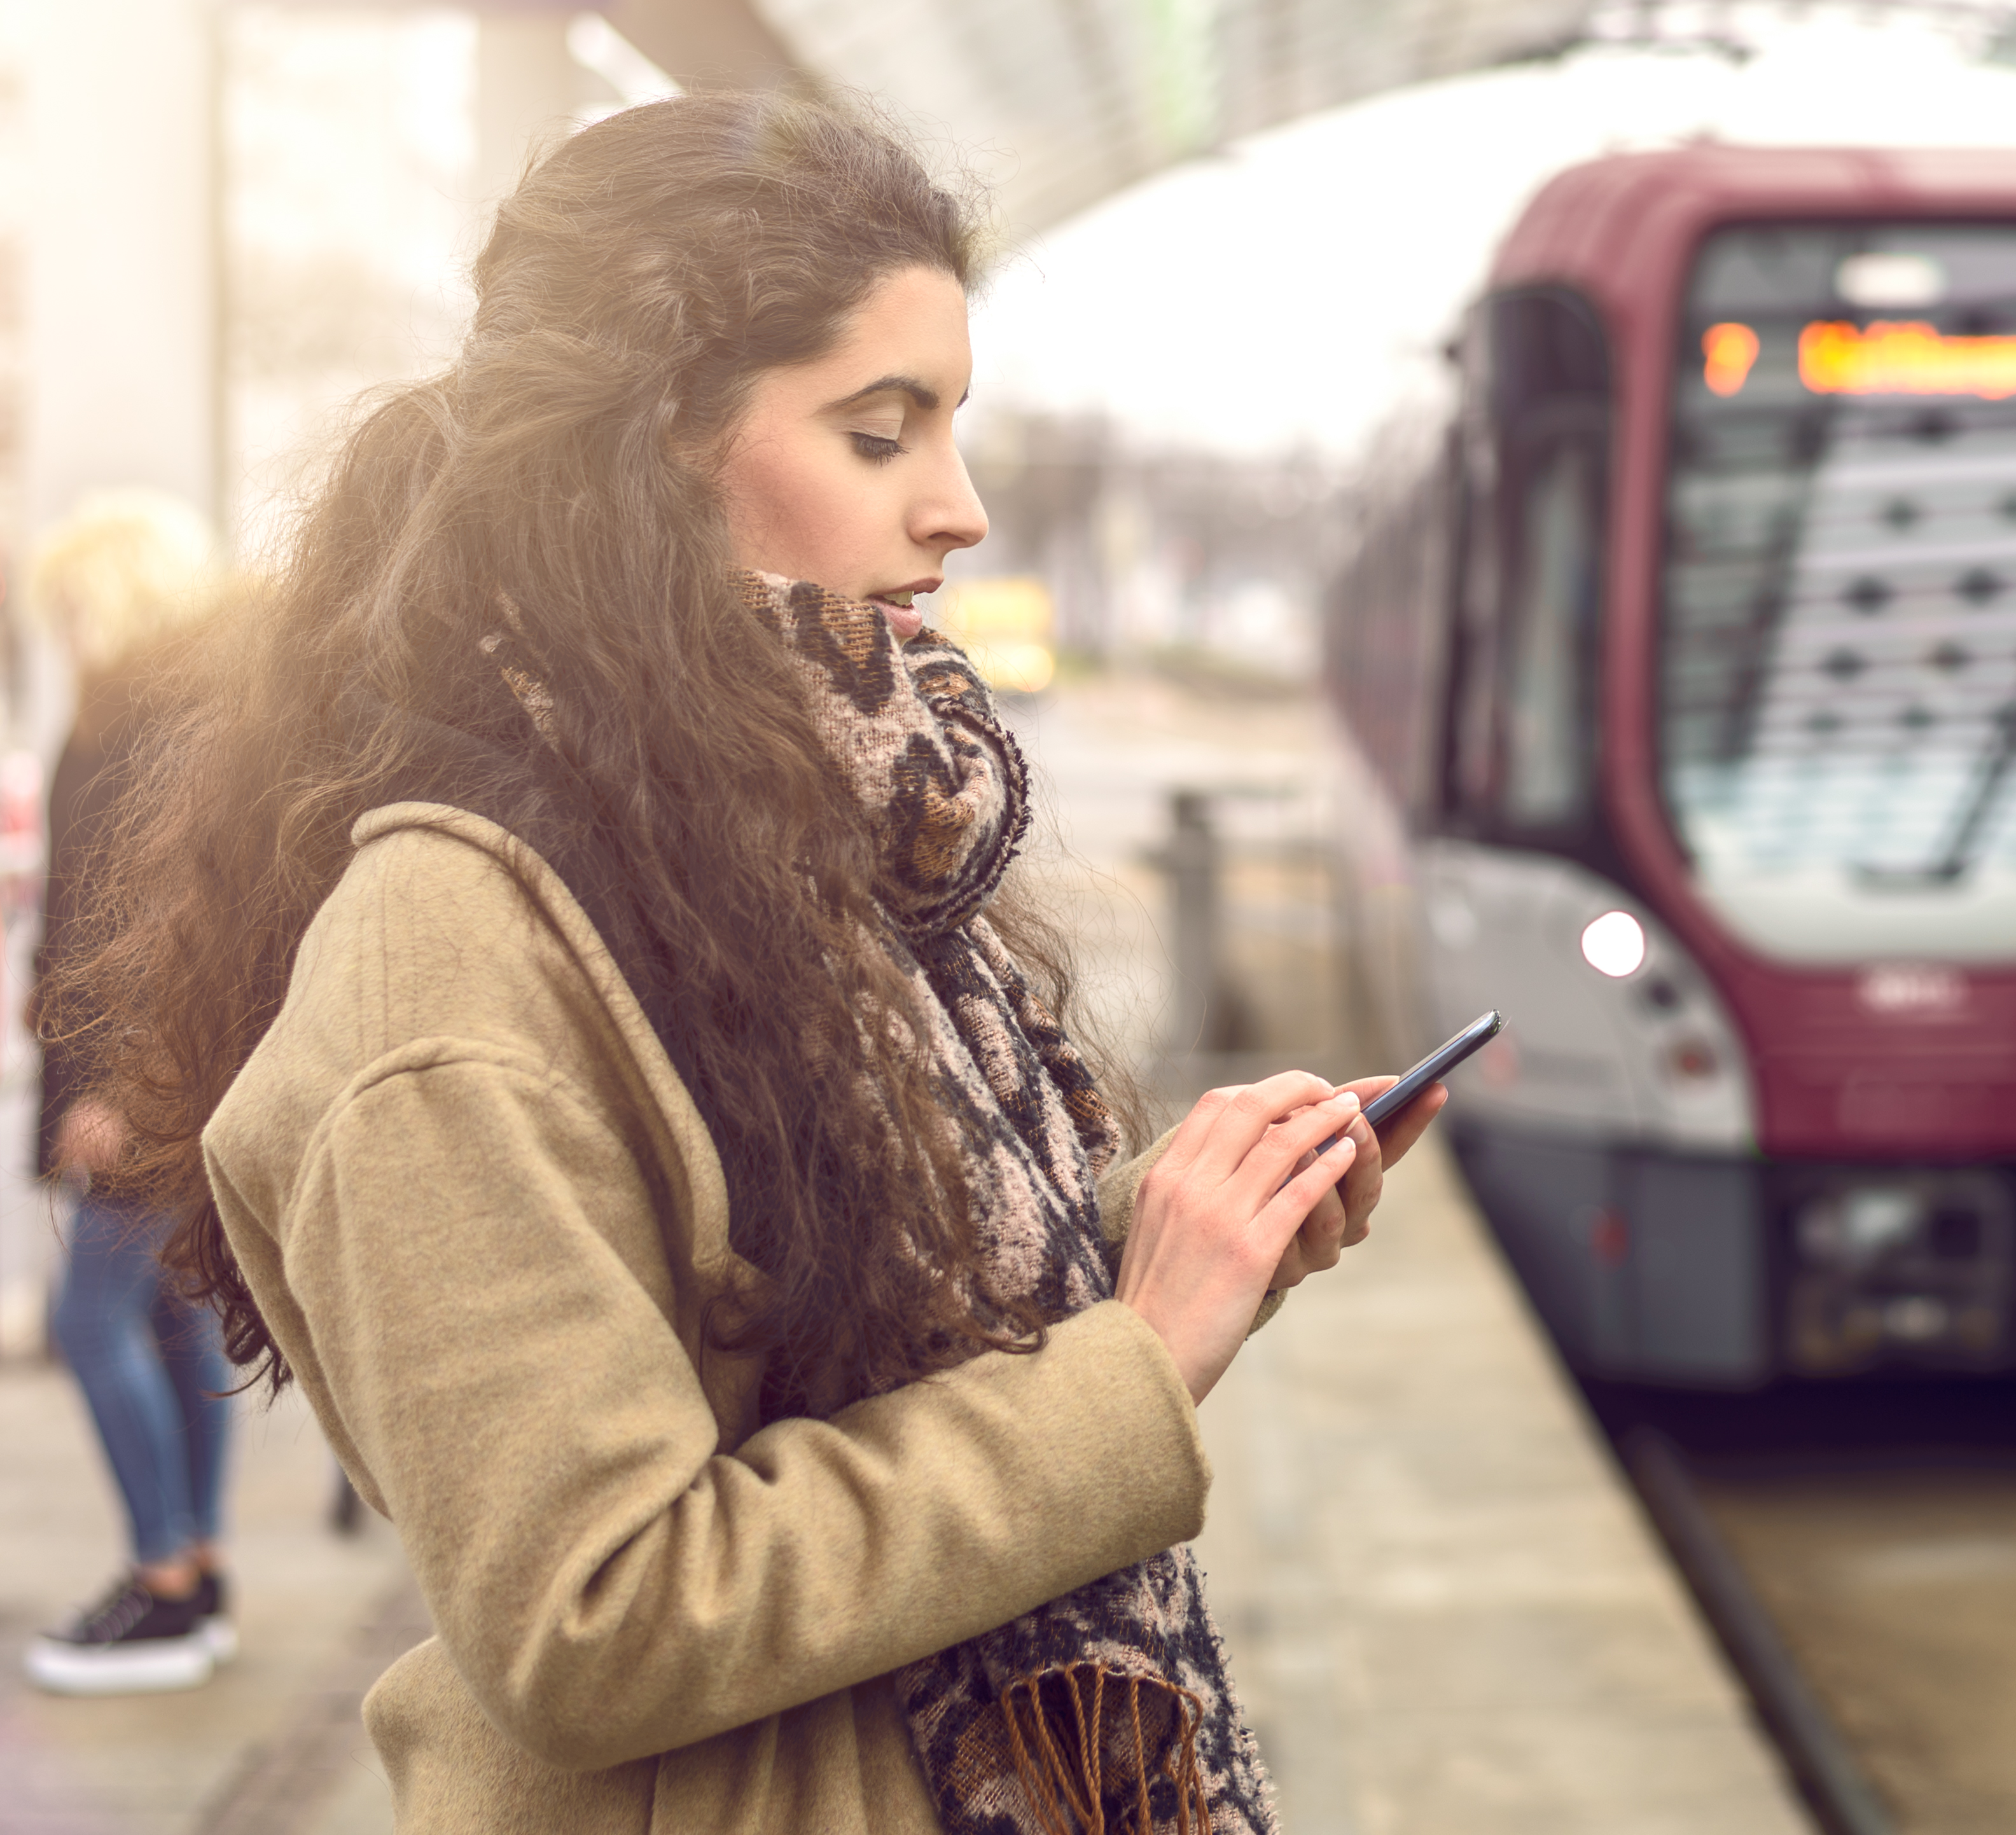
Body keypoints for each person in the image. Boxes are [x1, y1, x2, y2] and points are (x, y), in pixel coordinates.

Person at [68, 91, 1438, 1832]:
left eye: (953, 426)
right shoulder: (444, 970)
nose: (960, 508)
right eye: (882, 433)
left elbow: (821, 1350)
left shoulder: (759, 851)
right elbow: (598, 1612)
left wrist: (1179, 1236)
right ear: (643, 459)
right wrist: (1136, 1364)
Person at [22, 491, 236, 1694]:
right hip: (147, 1076)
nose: (58, 625)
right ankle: (196, 1577)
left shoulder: (153, 726)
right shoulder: (135, 716)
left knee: (88, 1321)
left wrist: (113, 1086)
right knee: (168, 1318)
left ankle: (161, 1584)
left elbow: (162, 928)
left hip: (142, 1085)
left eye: (72, 599)